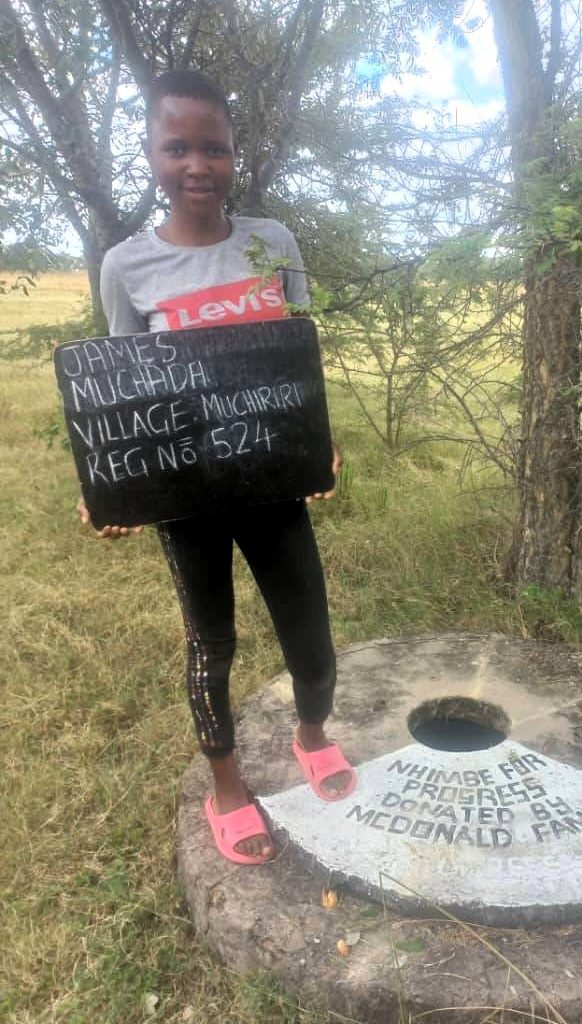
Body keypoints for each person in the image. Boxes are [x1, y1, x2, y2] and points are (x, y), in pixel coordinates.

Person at [78, 68, 355, 866]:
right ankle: (227, 787)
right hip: (186, 496)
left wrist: (317, 441)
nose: (197, 165)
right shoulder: (127, 266)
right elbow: (123, 392)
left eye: (214, 148)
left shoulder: (274, 244)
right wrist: (112, 488)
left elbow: (298, 356)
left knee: (310, 630)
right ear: (152, 154)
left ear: (235, 154)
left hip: (272, 484)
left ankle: (312, 737)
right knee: (213, 644)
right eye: (177, 148)